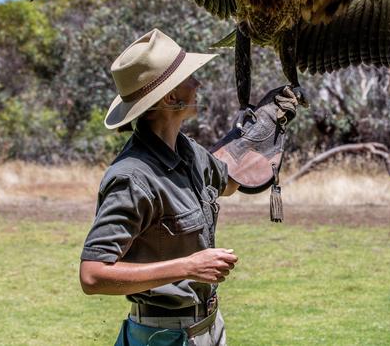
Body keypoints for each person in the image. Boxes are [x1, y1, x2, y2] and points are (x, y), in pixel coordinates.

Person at [79, 28, 297, 346]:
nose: (198, 83)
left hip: (208, 327)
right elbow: (92, 275)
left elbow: (227, 182)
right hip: (162, 336)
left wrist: (264, 126)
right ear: (171, 97)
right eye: (189, 77)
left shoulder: (187, 151)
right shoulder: (132, 178)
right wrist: (188, 266)